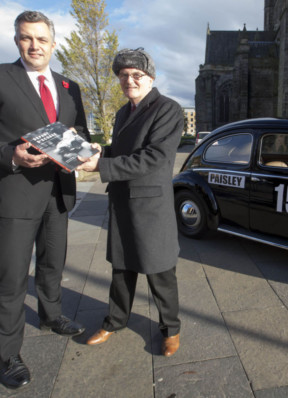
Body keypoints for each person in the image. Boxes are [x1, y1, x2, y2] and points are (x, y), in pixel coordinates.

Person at [0, 10, 88, 389]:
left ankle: (51, 315)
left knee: (52, 263)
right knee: (11, 276)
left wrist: (80, 149)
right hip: (15, 192)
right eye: (26, 38)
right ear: (17, 40)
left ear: (53, 42)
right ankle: (8, 353)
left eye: (42, 39)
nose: (35, 45)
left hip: (58, 192)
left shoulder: (70, 86)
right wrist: (10, 154)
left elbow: (77, 127)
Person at [77, 48, 183, 357]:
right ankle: (114, 321)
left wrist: (101, 166)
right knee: (121, 270)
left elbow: (154, 157)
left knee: (160, 272)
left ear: (150, 77)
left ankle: (171, 330)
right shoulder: (125, 112)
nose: (129, 80)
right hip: (123, 201)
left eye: (136, 75)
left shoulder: (168, 109)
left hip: (151, 206)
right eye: (123, 75)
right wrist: (101, 153)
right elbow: (124, 150)